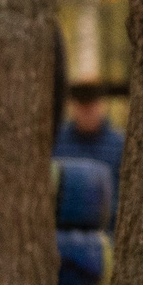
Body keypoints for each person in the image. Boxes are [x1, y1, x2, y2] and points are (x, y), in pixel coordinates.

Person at [53, 86, 126, 226]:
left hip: (109, 227)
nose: (86, 112)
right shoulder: (58, 142)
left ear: (101, 106)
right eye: (82, 106)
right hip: (63, 226)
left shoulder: (119, 145)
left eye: (91, 106)